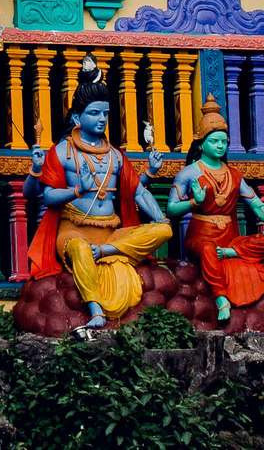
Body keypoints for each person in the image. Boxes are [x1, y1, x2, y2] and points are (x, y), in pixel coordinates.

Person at [24, 56, 173, 328]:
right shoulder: (62, 152)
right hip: (74, 230)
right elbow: (47, 197)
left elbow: (138, 193)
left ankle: (104, 251)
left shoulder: (115, 155)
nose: (102, 119)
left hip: (112, 234)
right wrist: (75, 191)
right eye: (95, 113)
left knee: (165, 231)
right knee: (81, 249)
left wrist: (160, 216)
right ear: (78, 117)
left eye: (105, 113)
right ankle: (95, 310)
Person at [165, 96, 264, 324]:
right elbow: (171, 209)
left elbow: (256, 203)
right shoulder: (190, 173)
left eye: (223, 141)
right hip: (201, 237)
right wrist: (193, 203)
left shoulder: (234, 175)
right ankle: (221, 300)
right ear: (201, 144)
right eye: (215, 141)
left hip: (230, 240)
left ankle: (232, 255)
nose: (220, 146)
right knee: (209, 249)